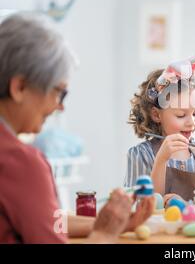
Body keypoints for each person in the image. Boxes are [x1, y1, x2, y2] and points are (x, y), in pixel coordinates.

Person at [0, 13, 155, 244]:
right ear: (20, 87)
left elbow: (46, 220)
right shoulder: (20, 163)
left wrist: (111, 223)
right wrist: (104, 234)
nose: (60, 106)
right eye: (59, 92)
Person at [125, 46, 195, 203]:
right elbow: (141, 205)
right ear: (156, 114)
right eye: (181, 115)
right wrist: (161, 159)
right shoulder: (140, 155)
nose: (191, 122)